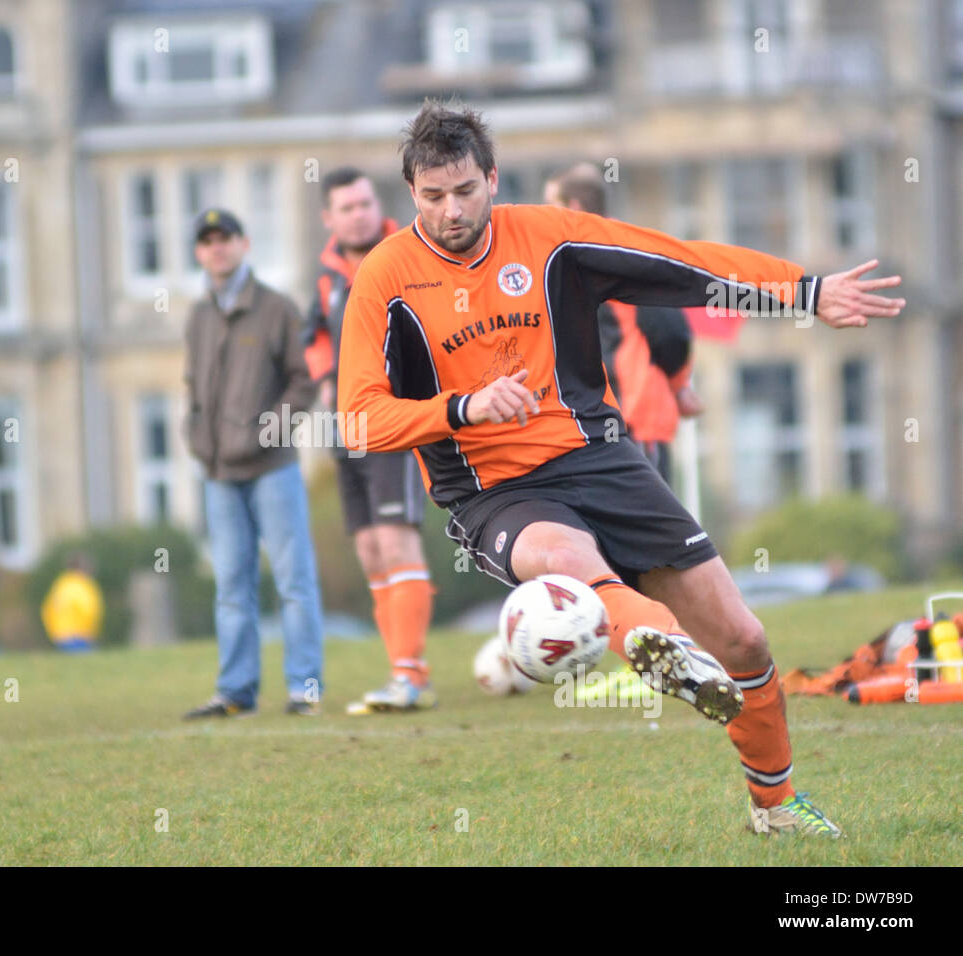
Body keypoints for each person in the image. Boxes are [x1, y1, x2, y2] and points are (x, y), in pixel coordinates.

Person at [338, 100, 904, 836]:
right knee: (564, 556)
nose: (451, 211)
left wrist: (803, 290)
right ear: (411, 193)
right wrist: (458, 409)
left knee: (747, 641)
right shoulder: (384, 279)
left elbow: (677, 263)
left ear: (493, 180)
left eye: (466, 192)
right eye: (433, 196)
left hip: (601, 459)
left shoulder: (549, 237)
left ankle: (776, 807)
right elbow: (356, 417)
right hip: (493, 492)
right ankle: (655, 641)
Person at [182, 209, 324, 718]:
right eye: (207, 241)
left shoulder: (278, 309)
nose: (217, 248)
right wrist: (196, 434)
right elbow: (194, 390)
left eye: (226, 239)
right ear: (199, 252)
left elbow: (304, 381)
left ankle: (304, 689)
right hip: (218, 475)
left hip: (273, 470)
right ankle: (235, 691)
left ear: (244, 244)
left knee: (293, 581)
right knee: (232, 587)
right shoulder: (198, 317)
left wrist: (268, 432)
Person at [304, 167, 436, 714]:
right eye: (346, 207)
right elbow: (311, 337)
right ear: (328, 219)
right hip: (345, 428)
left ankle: (411, 675)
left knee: (395, 539)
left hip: (394, 420)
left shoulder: (407, 253)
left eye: (364, 203)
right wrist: (324, 378)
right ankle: (400, 671)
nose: (358, 214)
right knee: (368, 549)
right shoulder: (327, 276)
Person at [544, 162, 704, 483]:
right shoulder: (577, 258)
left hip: (634, 415)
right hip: (602, 417)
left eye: (551, 207)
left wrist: (676, 385)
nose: (545, 217)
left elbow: (670, 328)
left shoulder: (622, 252)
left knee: (650, 527)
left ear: (573, 208)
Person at [41, 555, 104, 651]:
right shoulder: (75, 586)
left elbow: (48, 611)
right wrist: (86, 631)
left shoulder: (64, 584)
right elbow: (87, 611)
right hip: (75, 636)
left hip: (68, 635)